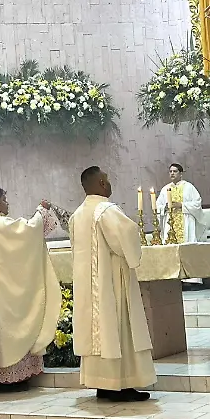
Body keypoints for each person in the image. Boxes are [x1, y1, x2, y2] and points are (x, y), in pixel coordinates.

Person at [69, 166, 155, 402]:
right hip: (112, 284)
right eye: (105, 180)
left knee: (98, 333)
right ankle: (121, 384)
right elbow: (126, 238)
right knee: (118, 328)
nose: (109, 184)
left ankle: (103, 384)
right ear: (99, 184)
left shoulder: (77, 215)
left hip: (88, 288)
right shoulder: (106, 210)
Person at [0, 187, 60, 392]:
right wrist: (41, 210)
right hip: (4, 295)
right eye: (4, 199)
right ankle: (13, 379)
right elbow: (28, 232)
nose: (7, 203)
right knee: (11, 329)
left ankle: (0, 378)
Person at [155, 163, 204, 246]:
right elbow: (157, 206)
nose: (172, 173)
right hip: (170, 221)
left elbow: (197, 203)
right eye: (170, 171)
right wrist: (165, 207)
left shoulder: (189, 187)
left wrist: (181, 205)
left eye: (175, 171)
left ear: (181, 174)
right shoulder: (165, 189)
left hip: (185, 220)